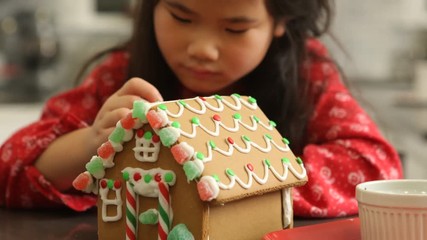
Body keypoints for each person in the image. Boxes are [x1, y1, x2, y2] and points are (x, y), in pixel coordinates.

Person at [0, 0, 402, 217]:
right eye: (180, 15)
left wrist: (222, 183)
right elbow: (11, 166)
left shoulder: (305, 74)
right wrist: (94, 140)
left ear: (281, 22)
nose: (202, 49)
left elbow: (373, 167)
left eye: (235, 28)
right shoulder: (124, 77)